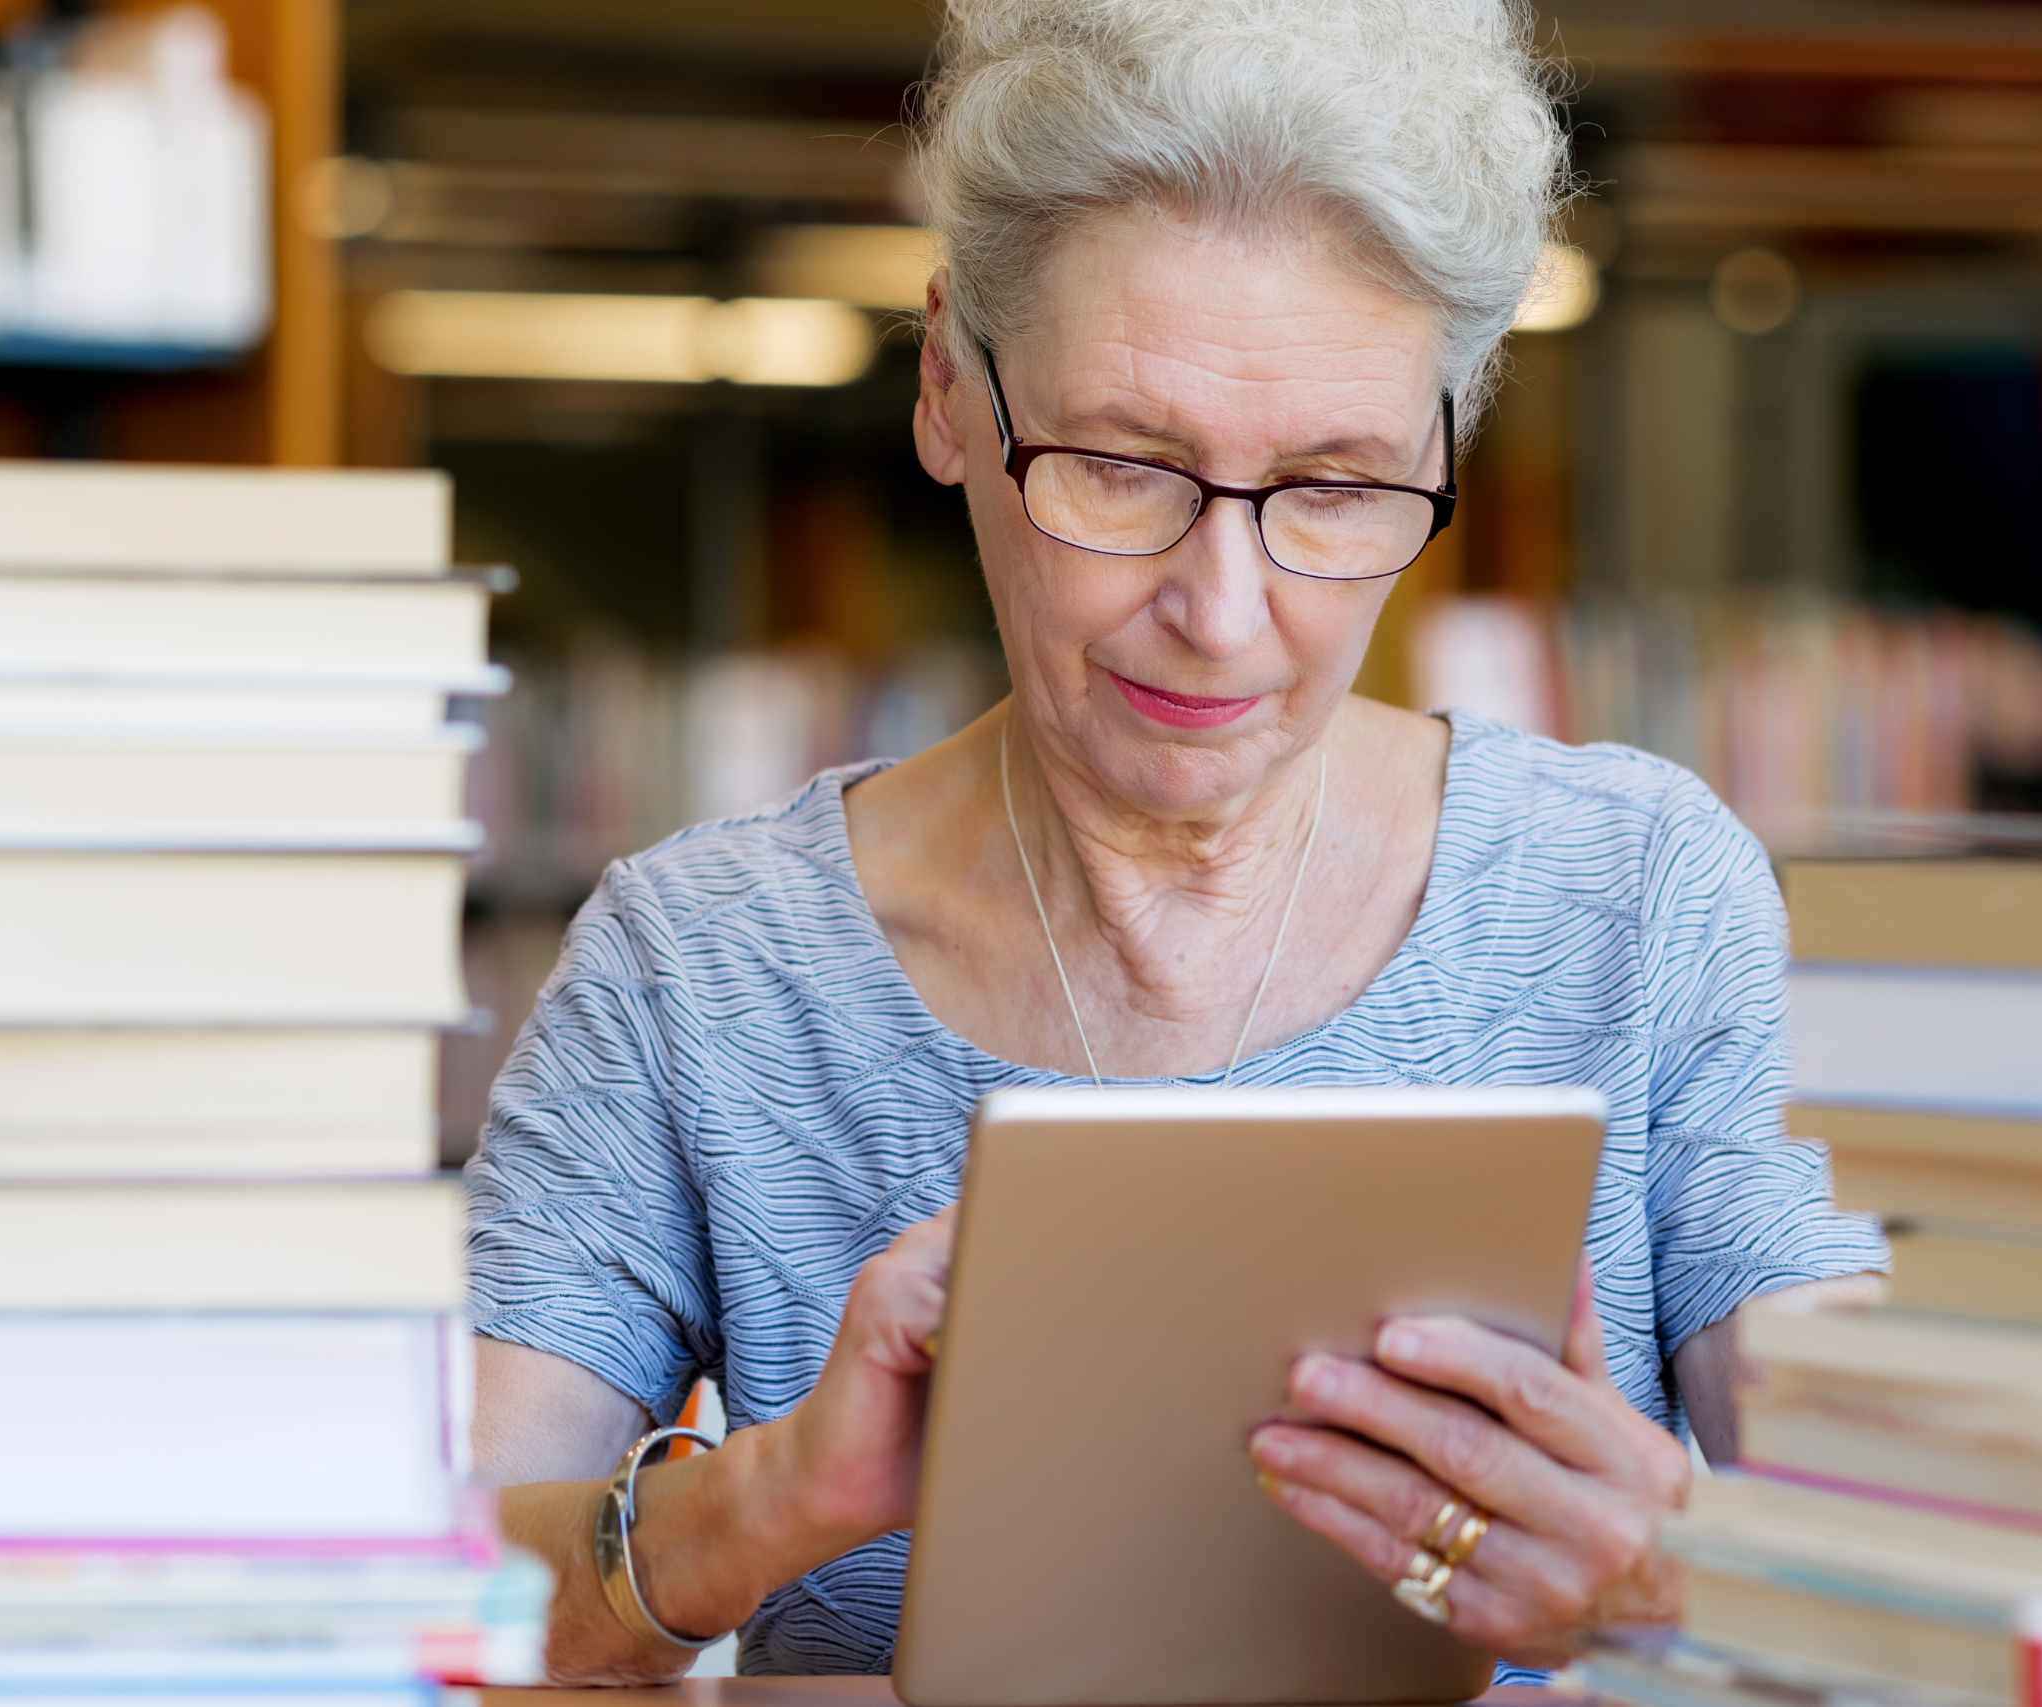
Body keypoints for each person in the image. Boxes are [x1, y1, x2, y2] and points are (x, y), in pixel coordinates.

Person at [465, 0, 1890, 1683]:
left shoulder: (1639, 896)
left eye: (1339, 486)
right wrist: (762, 1501)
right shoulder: (699, 965)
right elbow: (409, 1595)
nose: (1224, 612)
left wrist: (1670, 1576)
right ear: (946, 389)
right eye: (1124, 466)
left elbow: (1923, 1570)